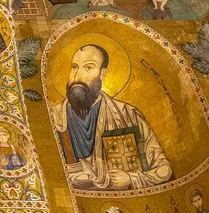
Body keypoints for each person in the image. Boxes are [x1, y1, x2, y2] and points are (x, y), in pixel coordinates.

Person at [53, 43, 173, 189]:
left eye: (88, 67)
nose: (77, 76)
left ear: (102, 74)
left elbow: (164, 170)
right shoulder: (54, 117)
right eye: (74, 67)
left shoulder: (127, 115)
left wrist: (131, 178)